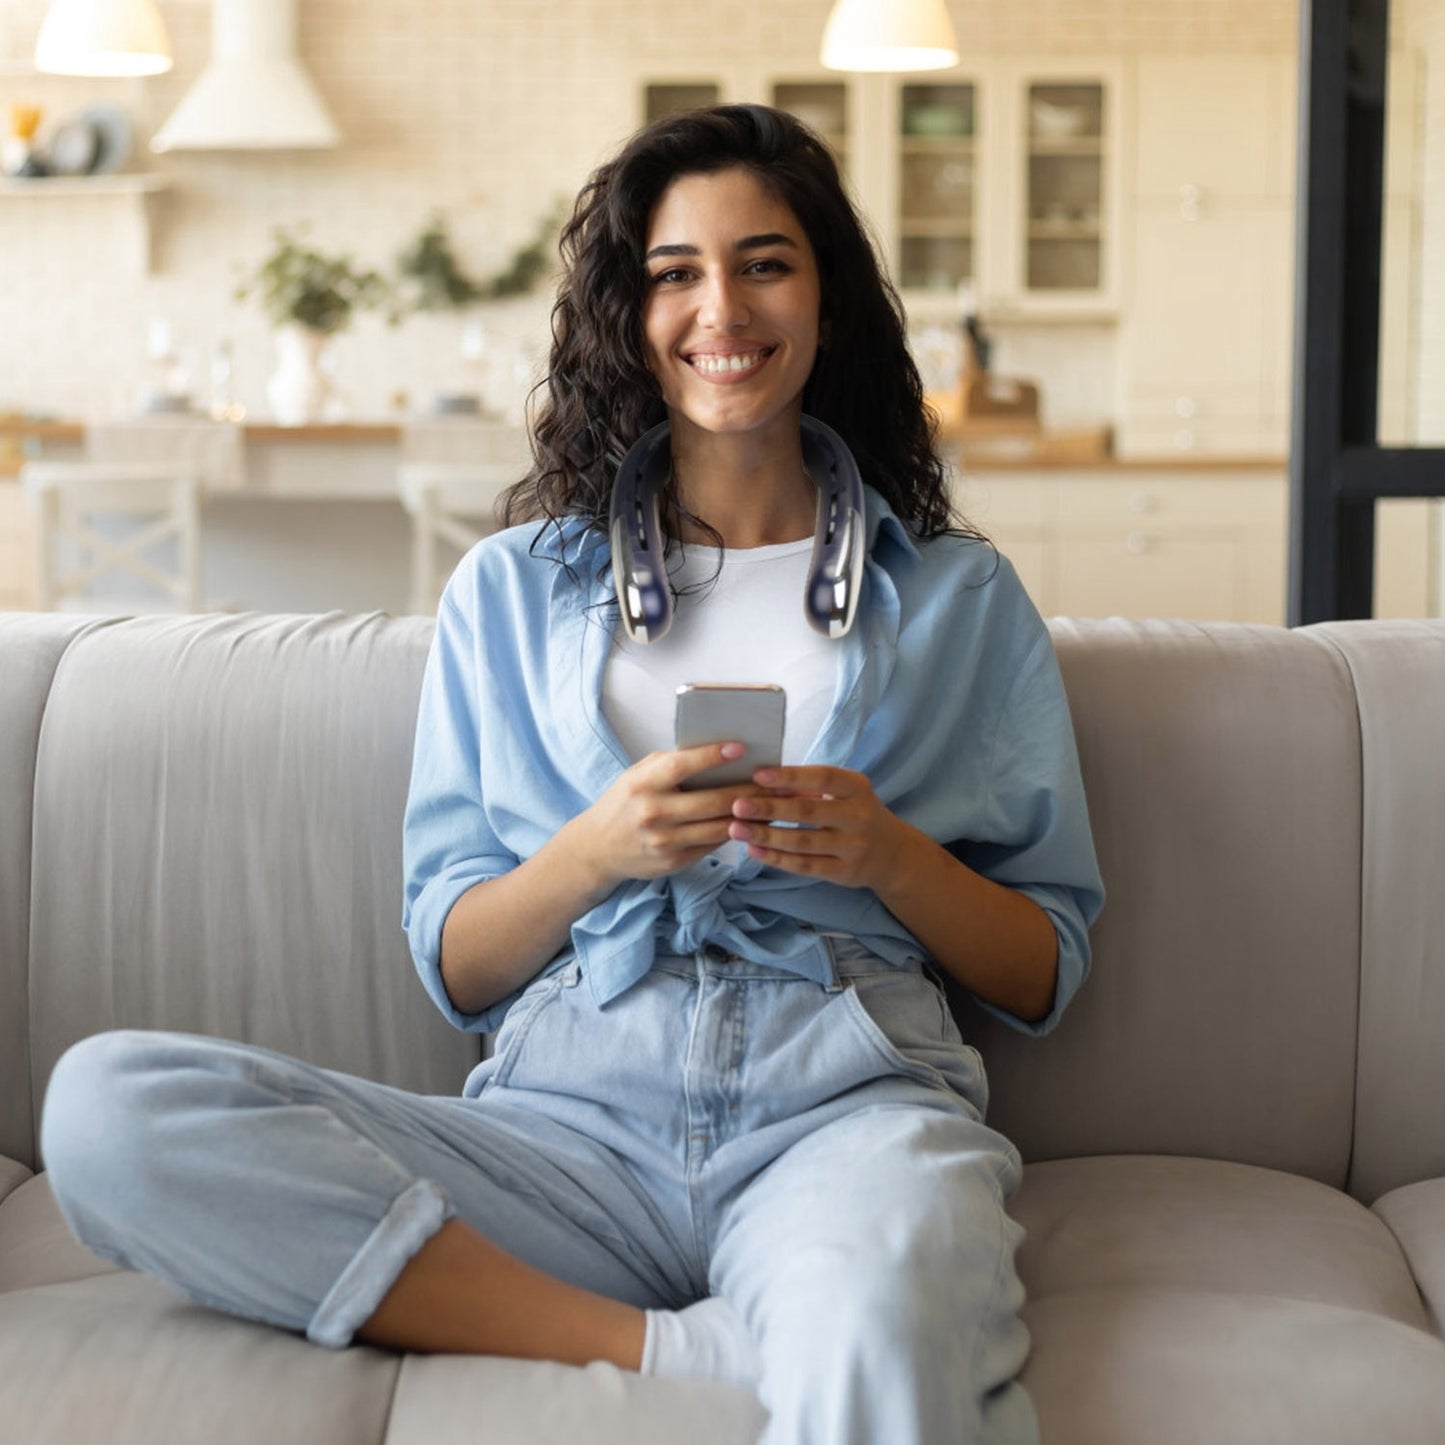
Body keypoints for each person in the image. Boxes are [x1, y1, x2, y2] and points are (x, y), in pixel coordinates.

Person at [40, 104, 1103, 1445]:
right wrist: (592, 852)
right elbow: (459, 963)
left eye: (765, 261)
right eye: (674, 272)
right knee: (107, 1107)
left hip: (845, 1105)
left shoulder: (960, 597)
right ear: (628, 311)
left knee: (886, 1337)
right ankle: (664, 1345)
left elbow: (1042, 965)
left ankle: (787, 1311)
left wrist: (889, 854)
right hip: (566, 1121)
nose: (721, 305)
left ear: (826, 299)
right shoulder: (507, 591)